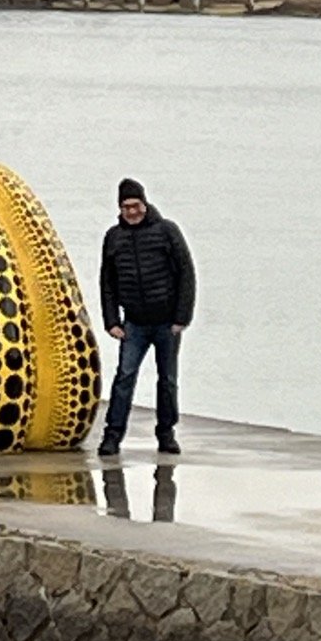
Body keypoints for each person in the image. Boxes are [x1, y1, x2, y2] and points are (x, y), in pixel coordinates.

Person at [98, 177, 195, 457]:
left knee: (167, 380)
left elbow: (186, 274)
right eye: (126, 207)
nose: (132, 211)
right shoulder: (113, 237)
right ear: (120, 208)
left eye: (136, 205)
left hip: (167, 322)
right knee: (124, 377)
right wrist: (111, 321)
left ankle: (166, 433)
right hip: (134, 324)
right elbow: (108, 282)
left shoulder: (167, 231)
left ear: (145, 203)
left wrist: (182, 317)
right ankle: (112, 436)